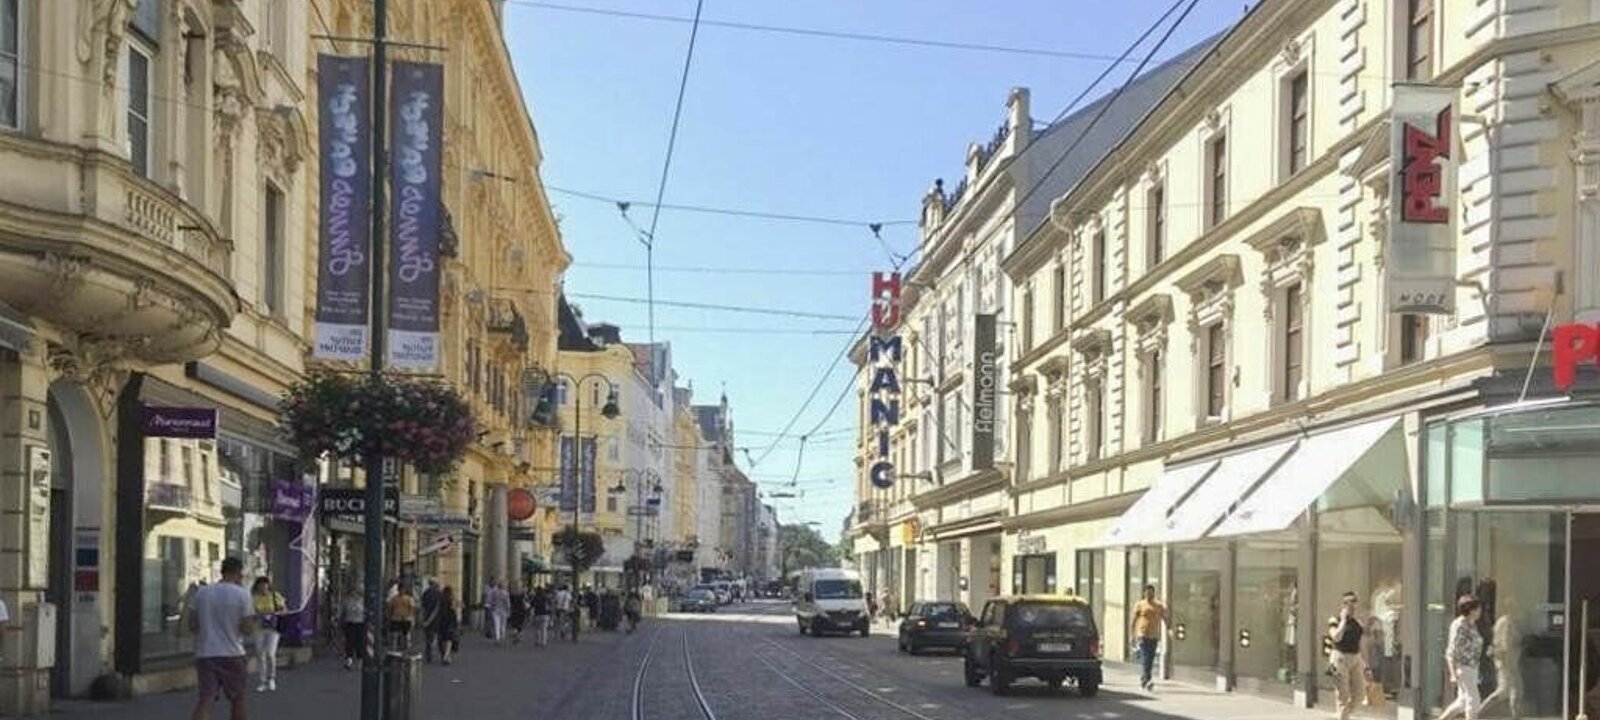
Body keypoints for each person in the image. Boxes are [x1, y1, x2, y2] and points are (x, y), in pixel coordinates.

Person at [188, 556, 255, 720]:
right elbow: (247, 629)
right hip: (233, 653)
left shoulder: (203, 593)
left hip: (206, 653)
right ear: (239, 573)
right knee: (237, 700)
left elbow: (193, 626)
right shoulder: (242, 595)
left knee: (206, 699)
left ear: (222, 571)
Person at [1440, 596, 1486, 720]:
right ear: (1471, 610)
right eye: (1478, 608)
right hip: (1464, 667)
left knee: (1463, 701)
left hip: (1472, 666)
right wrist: (1452, 673)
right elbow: (1452, 650)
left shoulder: (1472, 624)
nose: (1480, 611)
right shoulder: (1459, 625)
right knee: (1473, 700)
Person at [1479, 599, 1521, 720]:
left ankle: (1515, 715)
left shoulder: (1507, 621)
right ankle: (1479, 711)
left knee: (1514, 689)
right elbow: (1505, 643)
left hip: (1507, 660)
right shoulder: (1506, 623)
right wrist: (1507, 661)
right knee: (1505, 690)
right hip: (1506, 661)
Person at [1328, 591, 1367, 720]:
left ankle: (1343, 715)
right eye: (1347, 603)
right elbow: (1336, 637)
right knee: (1343, 695)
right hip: (1340, 658)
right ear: (1342, 605)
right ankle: (1343, 716)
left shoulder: (1358, 622)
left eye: (1353, 602)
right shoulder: (1335, 619)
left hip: (1355, 658)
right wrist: (1343, 621)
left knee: (1360, 693)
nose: (1351, 606)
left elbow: (1360, 643)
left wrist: (1365, 663)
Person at [250, 576, 286, 693]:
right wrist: (258, 615)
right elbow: (250, 613)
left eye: (265, 584)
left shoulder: (275, 596)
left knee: (270, 653)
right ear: (257, 586)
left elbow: (284, 610)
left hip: (273, 628)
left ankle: (272, 678)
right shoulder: (253, 598)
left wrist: (276, 612)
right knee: (260, 654)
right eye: (261, 585)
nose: (263, 587)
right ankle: (262, 681)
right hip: (259, 628)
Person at [1131, 585, 1170, 691]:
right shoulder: (1140, 605)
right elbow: (1134, 620)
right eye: (1147, 593)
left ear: (1154, 593)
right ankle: (1147, 680)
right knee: (1145, 657)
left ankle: (1145, 680)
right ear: (1144, 593)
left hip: (1154, 635)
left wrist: (1169, 629)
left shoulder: (1158, 605)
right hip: (1142, 634)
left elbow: (1164, 618)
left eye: (1151, 593)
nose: (1149, 595)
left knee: (1150, 659)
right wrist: (1132, 634)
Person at [340, 587, 366, 670]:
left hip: (360, 624)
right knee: (350, 643)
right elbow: (343, 613)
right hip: (350, 623)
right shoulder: (347, 602)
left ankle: (360, 662)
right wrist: (341, 623)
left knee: (360, 643)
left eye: (356, 593)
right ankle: (349, 661)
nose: (354, 595)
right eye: (353, 593)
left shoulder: (362, 602)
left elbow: (366, 612)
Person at [386, 583, 417, 651]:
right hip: (396, 619)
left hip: (406, 619)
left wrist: (412, 618)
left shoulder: (408, 599)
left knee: (406, 636)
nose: (401, 591)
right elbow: (390, 609)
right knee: (395, 636)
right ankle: (394, 650)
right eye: (400, 589)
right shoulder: (394, 599)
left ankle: (406, 650)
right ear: (398, 590)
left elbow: (412, 609)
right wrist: (389, 618)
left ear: (404, 590)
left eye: (402, 589)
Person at [435, 587, 460, 665]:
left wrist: (428, 621)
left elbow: (436, 611)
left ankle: (446, 656)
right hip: (451, 622)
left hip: (442, 622)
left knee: (443, 640)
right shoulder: (451, 600)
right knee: (449, 640)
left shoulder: (440, 601)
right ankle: (446, 656)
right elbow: (456, 609)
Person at [419, 580, 442, 663]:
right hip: (436, 619)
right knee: (434, 637)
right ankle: (431, 652)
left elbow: (422, 607)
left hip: (427, 617)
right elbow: (437, 608)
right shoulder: (438, 594)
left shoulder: (425, 593)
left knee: (428, 637)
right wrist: (429, 620)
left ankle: (429, 653)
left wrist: (423, 619)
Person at [485, 580, 510, 645]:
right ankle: (502, 637)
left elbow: (489, 600)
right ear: (503, 586)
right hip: (504, 611)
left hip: (495, 610)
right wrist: (508, 610)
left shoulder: (494, 592)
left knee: (497, 625)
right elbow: (507, 603)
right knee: (503, 625)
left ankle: (497, 638)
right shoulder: (506, 593)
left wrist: (492, 605)